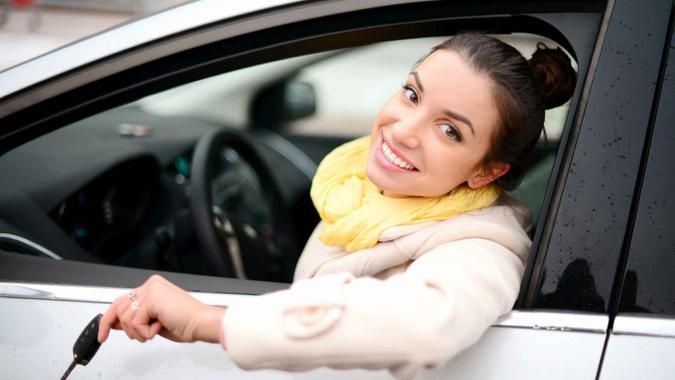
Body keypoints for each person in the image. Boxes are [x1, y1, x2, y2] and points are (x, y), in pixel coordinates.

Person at [97, 32, 576, 379]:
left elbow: (421, 325)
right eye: (412, 94)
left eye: (449, 130)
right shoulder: (358, 191)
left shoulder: (482, 249)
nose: (404, 129)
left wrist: (208, 321)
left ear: (486, 172)